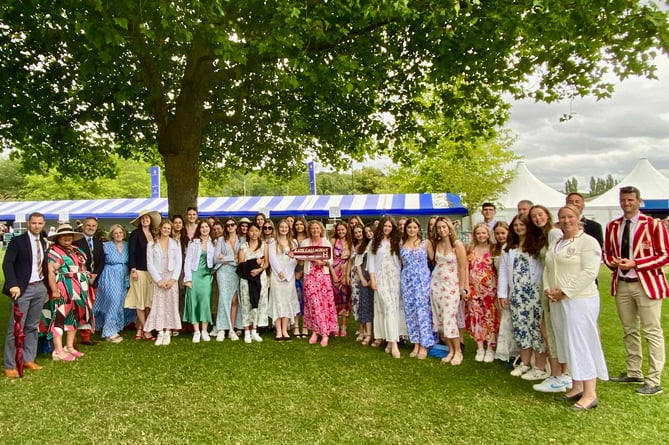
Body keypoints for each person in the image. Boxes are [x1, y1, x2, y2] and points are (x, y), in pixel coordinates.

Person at [603, 186, 669, 396]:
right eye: (623, 200)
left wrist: (636, 263)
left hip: (645, 283)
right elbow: (607, 252)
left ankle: (653, 379)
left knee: (652, 331)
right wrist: (613, 263)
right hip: (622, 283)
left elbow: (665, 255)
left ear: (639, 201)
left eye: (630, 200)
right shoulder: (613, 226)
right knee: (629, 329)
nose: (626, 203)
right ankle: (634, 371)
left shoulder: (653, 225)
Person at [544, 204, 608, 410]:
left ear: (578, 217)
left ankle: (590, 393)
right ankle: (576, 385)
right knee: (565, 341)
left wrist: (565, 290)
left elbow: (589, 272)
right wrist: (549, 290)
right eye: (562, 217)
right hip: (557, 300)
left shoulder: (588, 242)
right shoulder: (557, 242)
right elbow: (548, 268)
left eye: (570, 216)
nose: (566, 220)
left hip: (580, 299)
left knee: (580, 342)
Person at [498, 214, 548, 381]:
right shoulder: (508, 247)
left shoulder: (537, 244)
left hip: (534, 293)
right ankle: (524, 363)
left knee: (536, 329)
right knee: (520, 328)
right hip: (516, 294)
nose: (519, 228)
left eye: (522, 225)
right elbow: (504, 271)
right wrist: (502, 294)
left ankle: (540, 366)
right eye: (516, 225)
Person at [528, 205, 571, 393]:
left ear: (547, 215)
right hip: (546, 288)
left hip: (555, 289)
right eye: (534, 217)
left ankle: (563, 374)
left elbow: (557, 263)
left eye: (540, 215)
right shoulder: (540, 237)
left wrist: (556, 289)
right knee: (549, 331)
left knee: (554, 331)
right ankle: (558, 373)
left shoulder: (554, 233)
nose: (537, 219)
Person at [3, 212, 49, 378]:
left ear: (43, 224)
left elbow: (44, 264)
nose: (37, 226)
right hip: (22, 289)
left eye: (40, 223)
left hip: (39, 287)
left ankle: (28, 359)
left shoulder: (43, 242)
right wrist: (13, 285)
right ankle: (9, 365)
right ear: (29, 224)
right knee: (15, 328)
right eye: (34, 223)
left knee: (31, 326)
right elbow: (7, 263)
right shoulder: (18, 241)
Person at [41, 224, 92, 361]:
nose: (67, 238)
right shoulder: (53, 251)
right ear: (58, 238)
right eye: (63, 236)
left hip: (79, 288)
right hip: (63, 286)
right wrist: (55, 290)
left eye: (69, 235)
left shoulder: (76, 250)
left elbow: (82, 266)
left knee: (75, 316)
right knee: (59, 316)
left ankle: (69, 346)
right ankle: (57, 350)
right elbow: (50, 271)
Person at [430, 216, 468, 365]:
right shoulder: (437, 243)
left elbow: (463, 267)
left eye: (444, 227)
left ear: (449, 227)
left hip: (451, 286)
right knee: (440, 319)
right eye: (439, 227)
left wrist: (462, 288)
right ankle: (450, 350)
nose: (441, 230)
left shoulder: (457, 244)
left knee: (449, 319)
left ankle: (458, 351)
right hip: (436, 285)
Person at [369, 215, 405, 359]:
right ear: (381, 226)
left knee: (393, 308)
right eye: (385, 226)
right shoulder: (374, 242)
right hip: (380, 277)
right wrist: (372, 279)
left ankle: (391, 341)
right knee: (387, 308)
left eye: (390, 226)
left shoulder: (397, 241)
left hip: (394, 277)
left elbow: (402, 259)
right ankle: (394, 343)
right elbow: (371, 263)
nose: (387, 228)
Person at [400, 217, 435, 360]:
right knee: (411, 312)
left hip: (422, 280)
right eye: (409, 227)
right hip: (407, 280)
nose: (412, 230)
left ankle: (424, 344)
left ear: (418, 229)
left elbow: (432, 259)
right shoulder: (401, 244)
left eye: (414, 227)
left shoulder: (425, 243)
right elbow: (402, 262)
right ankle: (415, 342)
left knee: (423, 312)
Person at [144, 220, 183, 346]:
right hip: (159, 277)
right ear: (160, 229)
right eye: (164, 228)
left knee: (171, 303)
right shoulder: (152, 244)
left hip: (171, 277)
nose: (166, 230)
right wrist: (158, 280)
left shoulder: (176, 243)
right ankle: (160, 331)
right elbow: (149, 263)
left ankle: (168, 331)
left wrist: (173, 279)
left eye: (168, 228)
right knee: (158, 304)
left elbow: (179, 262)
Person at [125, 209, 161, 341]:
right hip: (139, 270)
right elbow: (132, 252)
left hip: (150, 272)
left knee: (147, 301)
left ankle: (139, 327)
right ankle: (146, 330)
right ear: (140, 221)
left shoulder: (153, 234)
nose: (145, 220)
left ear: (150, 220)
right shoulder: (136, 234)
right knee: (140, 300)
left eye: (147, 218)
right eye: (143, 218)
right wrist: (133, 269)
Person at [301, 220, 338, 347]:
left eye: (317, 228)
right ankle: (315, 331)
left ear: (321, 230)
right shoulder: (305, 242)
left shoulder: (326, 242)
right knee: (312, 303)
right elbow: (301, 257)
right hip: (310, 276)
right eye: (313, 229)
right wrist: (311, 258)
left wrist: (322, 262)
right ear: (310, 230)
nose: (315, 231)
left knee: (323, 304)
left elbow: (330, 260)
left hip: (323, 276)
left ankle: (325, 333)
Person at [465, 223, 498, 363]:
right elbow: (466, 268)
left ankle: (490, 348)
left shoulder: (494, 249)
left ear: (488, 234)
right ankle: (480, 347)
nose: (481, 236)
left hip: (490, 290)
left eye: (483, 233)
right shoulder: (470, 249)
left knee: (489, 318)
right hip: (474, 289)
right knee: (476, 317)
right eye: (478, 233)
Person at [94, 224, 129, 343]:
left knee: (119, 302)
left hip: (123, 276)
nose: (119, 235)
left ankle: (116, 326)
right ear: (112, 235)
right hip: (110, 275)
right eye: (116, 233)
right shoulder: (106, 246)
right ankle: (109, 331)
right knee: (113, 302)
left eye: (120, 232)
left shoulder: (126, 245)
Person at [74, 216, 105, 345]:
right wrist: (85, 275)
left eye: (93, 226)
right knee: (77, 308)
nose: (91, 228)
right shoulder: (76, 242)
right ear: (83, 226)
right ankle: (73, 336)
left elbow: (101, 261)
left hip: (93, 281)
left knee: (89, 308)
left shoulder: (98, 243)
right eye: (88, 225)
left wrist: (95, 275)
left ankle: (86, 336)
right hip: (79, 280)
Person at [183, 220, 215, 343]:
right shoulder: (193, 243)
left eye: (206, 227)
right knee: (194, 302)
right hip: (195, 275)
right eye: (202, 227)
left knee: (205, 302)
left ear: (209, 228)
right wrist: (188, 279)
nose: (204, 229)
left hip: (207, 276)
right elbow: (187, 261)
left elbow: (216, 260)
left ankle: (204, 330)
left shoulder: (214, 243)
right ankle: (196, 331)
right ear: (199, 229)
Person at [490, 221, 518, 363]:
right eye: (497, 233)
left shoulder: (514, 247)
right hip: (500, 286)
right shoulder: (495, 249)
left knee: (512, 318)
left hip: (512, 285)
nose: (500, 236)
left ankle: (514, 350)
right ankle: (505, 350)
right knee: (505, 318)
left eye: (503, 233)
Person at [237, 222, 269, 343]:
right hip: (246, 279)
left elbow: (266, 263)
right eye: (251, 231)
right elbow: (241, 265)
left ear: (259, 232)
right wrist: (254, 263)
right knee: (246, 303)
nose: (254, 233)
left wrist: (259, 269)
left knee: (258, 303)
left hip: (260, 278)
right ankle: (246, 330)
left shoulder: (264, 245)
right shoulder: (243, 247)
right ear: (248, 232)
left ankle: (254, 329)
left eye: (256, 231)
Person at [268, 219, 300, 340]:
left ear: (289, 228)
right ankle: (278, 331)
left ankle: (285, 330)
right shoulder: (272, 241)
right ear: (278, 228)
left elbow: (296, 259)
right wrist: (279, 272)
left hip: (289, 276)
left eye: (286, 227)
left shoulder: (294, 242)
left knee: (287, 301)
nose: (284, 229)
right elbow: (272, 258)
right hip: (277, 276)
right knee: (278, 301)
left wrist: (287, 273)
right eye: (281, 227)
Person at [213, 217, 242, 341]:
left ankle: (232, 328)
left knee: (234, 300)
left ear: (236, 226)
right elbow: (216, 259)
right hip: (223, 272)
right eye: (228, 225)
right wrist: (232, 257)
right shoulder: (221, 240)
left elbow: (242, 257)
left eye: (232, 225)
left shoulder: (242, 240)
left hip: (236, 272)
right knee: (223, 299)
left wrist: (225, 257)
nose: (230, 227)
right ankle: (221, 328)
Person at [330, 221, 352, 336]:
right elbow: (329, 258)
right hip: (334, 270)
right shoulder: (333, 241)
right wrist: (332, 273)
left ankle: (343, 325)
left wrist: (346, 274)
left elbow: (350, 259)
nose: (341, 232)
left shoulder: (350, 241)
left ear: (346, 230)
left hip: (345, 271)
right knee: (334, 299)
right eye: (339, 230)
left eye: (343, 229)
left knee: (345, 299)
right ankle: (335, 325)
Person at [356, 223, 375, 345]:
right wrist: (363, 279)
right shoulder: (362, 247)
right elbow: (357, 264)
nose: (368, 233)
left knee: (376, 307)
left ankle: (377, 334)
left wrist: (373, 279)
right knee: (366, 306)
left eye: (370, 231)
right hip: (364, 278)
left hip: (376, 279)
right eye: (366, 232)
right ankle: (368, 334)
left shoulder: (378, 245)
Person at [292, 216, 308, 337]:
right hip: (293, 271)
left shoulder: (309, 239)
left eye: (301, 224)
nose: (299, 227)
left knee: (307, 299)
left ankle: (306, 326)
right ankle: (296, 326)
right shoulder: (291, 239)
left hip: (307, 271)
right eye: (297, 225)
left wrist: (302, 270)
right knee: (296, 299)